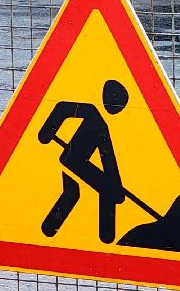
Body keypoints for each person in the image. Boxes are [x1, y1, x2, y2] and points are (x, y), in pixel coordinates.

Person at [37, 80, 130, 243]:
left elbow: (107, 157)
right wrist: (47, 131)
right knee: (75, 193)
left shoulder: (100, 122)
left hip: (76, 162)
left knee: (86, 192)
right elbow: (62, 109)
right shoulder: (93, 114)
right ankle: (105, 235)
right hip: (73, 159)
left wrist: (115, 184)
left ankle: (106, 235)